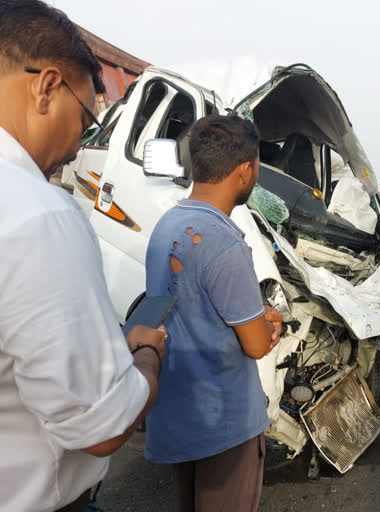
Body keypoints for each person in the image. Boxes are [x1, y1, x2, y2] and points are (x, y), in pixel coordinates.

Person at [0, 2, 166, 510]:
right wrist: (146, 356)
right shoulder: (37, 213)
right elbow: (103, 426)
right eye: (88, 119)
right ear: (47, 86)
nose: (81, 145)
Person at [144, 115, 283, 512]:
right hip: (224, 428)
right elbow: (256, 345)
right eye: (256, 167)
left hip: (178, 416)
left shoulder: (168, 224)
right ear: (245, 171)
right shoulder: (224, 243)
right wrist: (270, 324)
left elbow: (189, 304)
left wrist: (254, 311)